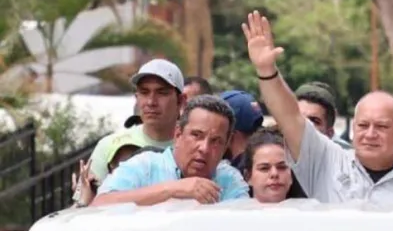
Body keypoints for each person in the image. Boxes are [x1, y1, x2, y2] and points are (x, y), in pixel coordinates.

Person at [243, 11, 393, 207]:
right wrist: (266, 70)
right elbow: (289, 116)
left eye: (381, 126)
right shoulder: (326, 160)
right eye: (363, 125)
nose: (370, 134)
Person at [91, 95, 249, 206]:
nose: (204, 148)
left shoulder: (229, 179)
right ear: (178, 134)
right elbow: (100, 205)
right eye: (196, 135)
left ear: (227, 144)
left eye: (216, 141)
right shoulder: (145, 166)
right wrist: (171, 189)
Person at [85, 59, 186, 186]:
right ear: (136, 97)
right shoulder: (109, 146)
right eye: (144, 92)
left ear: (181, 101)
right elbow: (89, 202)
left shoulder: (196, 147)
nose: (151, 102)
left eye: (162, 93)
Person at [241, 129, 307, 203]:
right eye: (264, 168)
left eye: (282, 167)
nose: (274, 173)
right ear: (248, 176)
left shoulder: (311, 212)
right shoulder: (232, 213)